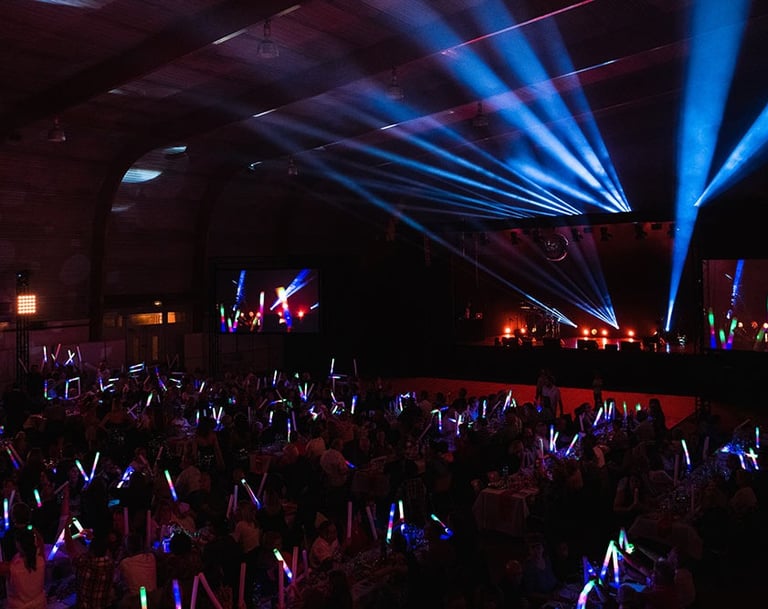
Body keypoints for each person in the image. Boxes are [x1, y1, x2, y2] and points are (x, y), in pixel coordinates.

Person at [0, 527, 46, 609]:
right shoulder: (41, 560)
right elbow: (41, 541)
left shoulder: (13, 569)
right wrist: (34, 530)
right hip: (40, 605)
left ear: (18, 544)